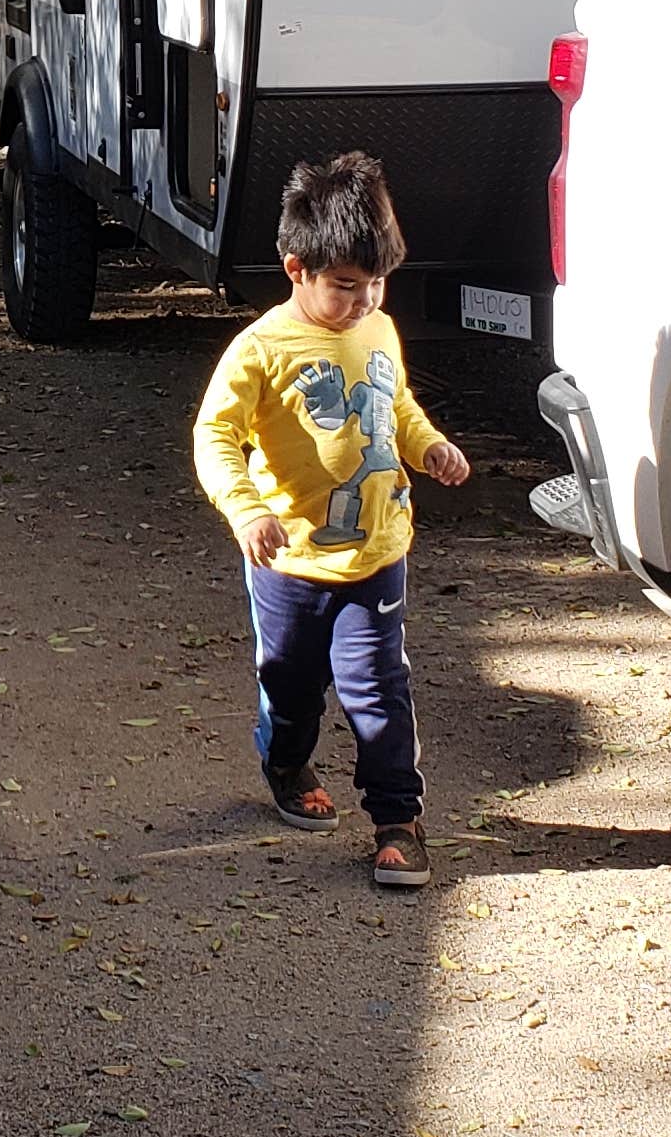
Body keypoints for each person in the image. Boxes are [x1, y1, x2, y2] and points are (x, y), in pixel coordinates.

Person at [192, 149, 469, 892]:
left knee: (377, 687)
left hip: (376, 552)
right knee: (290, 682)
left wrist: (428, 445)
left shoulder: (377, 329)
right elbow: (214, 437)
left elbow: (395, 406)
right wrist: (246, 511)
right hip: (288, 563)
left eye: (377, 283)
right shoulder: (261, 348)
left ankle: (397, 822)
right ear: (297, 270)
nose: (366, 299)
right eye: (347, 286)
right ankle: (285, 760)